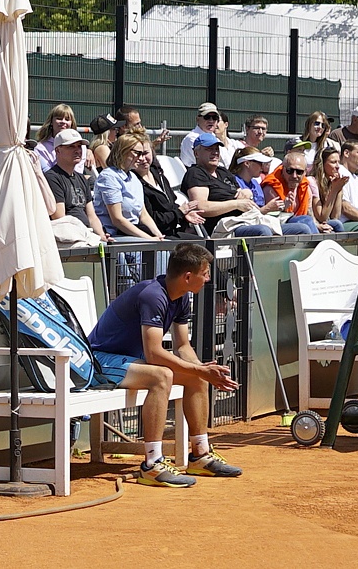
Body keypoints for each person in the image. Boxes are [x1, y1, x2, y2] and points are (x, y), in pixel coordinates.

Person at [87, 243, 242, 486]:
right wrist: (201, 369)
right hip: (99, 362)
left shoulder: (181, 297)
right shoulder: (152, 295)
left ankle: (200, 455)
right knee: (162, 376)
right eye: (206, 273)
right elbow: (154, 354)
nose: (208, 278)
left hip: (128, 362)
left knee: (196, 377)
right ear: (188, 276)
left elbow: (183, 346)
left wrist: (203, 371)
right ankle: (152, 464)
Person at [182, 132, 273, 236]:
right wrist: (236, 204)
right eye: (209, 149)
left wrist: (247, 192)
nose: (215, 152)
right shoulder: (196, 173)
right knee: (263, 231)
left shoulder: (223, 171)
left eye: (216, 149)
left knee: (294, 226)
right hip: (224, 228)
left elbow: (241, 193)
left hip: (245, 220)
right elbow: (201, 207)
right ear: (196, 153)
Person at [93, 133, 166, 241]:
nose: (141, 158)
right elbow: (117, 219)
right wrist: (149, 239)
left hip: (133, 234)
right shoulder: (109, 177)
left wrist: (158, 236)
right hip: (114, 235)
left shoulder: (134, 178)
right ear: (123, 152)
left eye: (143, 153)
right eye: (137, 153)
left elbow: (143, 214)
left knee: (166, 249)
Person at [45, 129, 112, 242]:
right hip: (68, 240)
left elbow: (92, 216)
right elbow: (59, 218)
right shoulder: (52, 177)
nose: (77, 150)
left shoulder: (81, 178)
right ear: (58, 150)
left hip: (87, 236)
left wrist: (102, 237)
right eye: (71, 147)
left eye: (79, 146)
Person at [134, 138, 204, 238]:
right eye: (138, 154)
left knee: (205, 244)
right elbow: (153, 219)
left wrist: (185, 215)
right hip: (155, 235)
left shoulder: (159, 175)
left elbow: (171, 205)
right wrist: (180, 213)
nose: (143, 158)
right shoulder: (135, 183)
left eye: (146, 153)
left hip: (172, 229)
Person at [261, 150, 330, 233]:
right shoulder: (272, 187)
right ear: (283, 169)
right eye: (290, 171)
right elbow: (272, 218)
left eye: (299, 172)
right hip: (278, 225)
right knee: (305, 224)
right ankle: (319, 243)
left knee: (335, 224)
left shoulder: (305, 187)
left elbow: (309, 213)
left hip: (302, 222)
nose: (294, 176)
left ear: (305, 172)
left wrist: (318, 226)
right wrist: (283, 207)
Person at [307, 147, 348, 233]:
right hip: (314, 224)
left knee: (337, 224)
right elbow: (322, 217)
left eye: (338, 162)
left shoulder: (332, 181)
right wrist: (334, 190)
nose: (337, 166)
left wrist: (339, 189)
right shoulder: (312, 181)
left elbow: (335, 216)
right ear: (322, 164)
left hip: (327, 224)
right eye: (333, 162)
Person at [33, 103, 78, 172]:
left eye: (67, 119)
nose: (63, 122)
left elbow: (78, 172)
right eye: (59, 118)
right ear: (51, 122)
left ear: (72, 123)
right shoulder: (40, 148)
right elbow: (48, 173)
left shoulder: (80, 147)